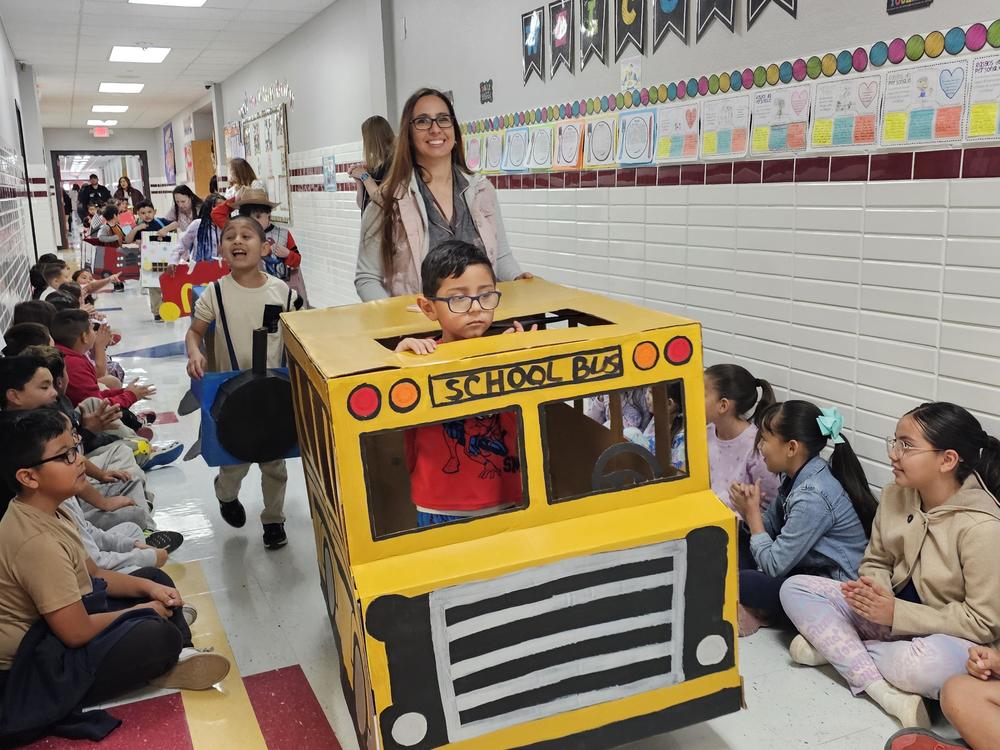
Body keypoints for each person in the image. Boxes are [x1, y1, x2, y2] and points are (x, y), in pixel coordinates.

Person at [0, 409, 229, 746]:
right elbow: (75, 632)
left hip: (58, 625)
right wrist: (142, 611)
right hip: (34, 664)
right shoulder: (37, 543)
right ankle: (171, 650)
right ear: (29, 477)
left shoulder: (53, 508)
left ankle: (178, 656)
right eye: (65, 456)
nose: (79, 460)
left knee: (153, 576)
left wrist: (147, 587)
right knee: (153, 634)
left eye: (75, 447)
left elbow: (94, 574)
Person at [780, 402, 1000, 730]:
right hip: (886, 620)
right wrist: (875, 590)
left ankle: (839, 649)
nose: (894, 454)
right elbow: (876, 560)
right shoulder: (896, 494)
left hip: (945, 638)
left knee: (928, 667)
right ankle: (883, 690)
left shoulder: (983, 527)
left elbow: (983, 622)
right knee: (794, 588)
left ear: (947, 460)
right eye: (895, 441)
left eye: (907, 445)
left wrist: (896, 613)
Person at [394, 241, 531, 527]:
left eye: (485, 296)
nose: (475, 309)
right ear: (428, 308)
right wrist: (399, 358)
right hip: (442, 506)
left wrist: (522, 354)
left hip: (510, 498)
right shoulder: (420, 357)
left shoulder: (507, 350)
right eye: (458, 299)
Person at [185, 217, 301, 549]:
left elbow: (297, 338)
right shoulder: (215, 293)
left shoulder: (283, 293)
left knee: (274, 463)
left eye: (247, 236)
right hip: (232, 398)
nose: (238, 241)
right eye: (229, 236)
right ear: (222, 249)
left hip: (271, 394)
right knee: (235, 463)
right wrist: (195, 353)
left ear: (265, 247)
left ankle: (274, 520)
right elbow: (194, 333)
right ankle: (225, 493)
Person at [355, 87, 531, 301]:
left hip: (482, 321)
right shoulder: (389, 201)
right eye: (422, 121)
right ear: (408, 135)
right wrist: (399, 323)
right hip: (421, 329)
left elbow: (501, 257)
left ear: (454, 131)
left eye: (443, 119)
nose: (435, 128)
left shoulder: (482, 191)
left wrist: (517, 278)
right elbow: (367, 278)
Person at [730, 401, 874, 637]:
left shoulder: (812, 495)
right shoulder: (795, 478)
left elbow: (775, 566)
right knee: (736, 537)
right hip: (802, 570)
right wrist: (749, 512)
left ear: (791, 447)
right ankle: (758, 609)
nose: (760, 448)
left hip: (831, 591)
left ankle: (762, 611)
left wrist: (753, 516)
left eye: (765, 440)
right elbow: (772, 528)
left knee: (739, 581)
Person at [0, 356, 154, 531]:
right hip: (53, 519)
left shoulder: (43, 418)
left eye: (52, 384)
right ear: (14, 395)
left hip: (67, 501)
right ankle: (146, 529)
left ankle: (144, 522)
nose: (54, 392)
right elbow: (70, 471)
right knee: (134, 515)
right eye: (44, 387)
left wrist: (101, 477)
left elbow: (74, 460)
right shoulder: (22, 434)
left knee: (131, 481)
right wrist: (103, 502)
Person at [704, 364, 781, 520]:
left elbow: (771, 505)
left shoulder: (757, 446)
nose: (691, 398)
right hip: (704, 517)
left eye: (701, 394)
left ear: (723, 405)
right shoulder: (706, 432)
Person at [351, 115, 395, 212]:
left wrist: (364, 176)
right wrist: (359, 181)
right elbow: (362, 204)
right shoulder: (374, 167)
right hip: (369, 224)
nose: (365, 143)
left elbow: (381, 201)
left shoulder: (393, 164)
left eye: (365, 138)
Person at [171, 193, 225, 271]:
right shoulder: (197, 225)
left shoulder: (229, 227)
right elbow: (182, 244)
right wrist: (173, 261)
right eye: (217, 206)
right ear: (208, 208)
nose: (221, 209)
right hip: (198, 271)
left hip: (221, 272)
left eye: (224, 207)